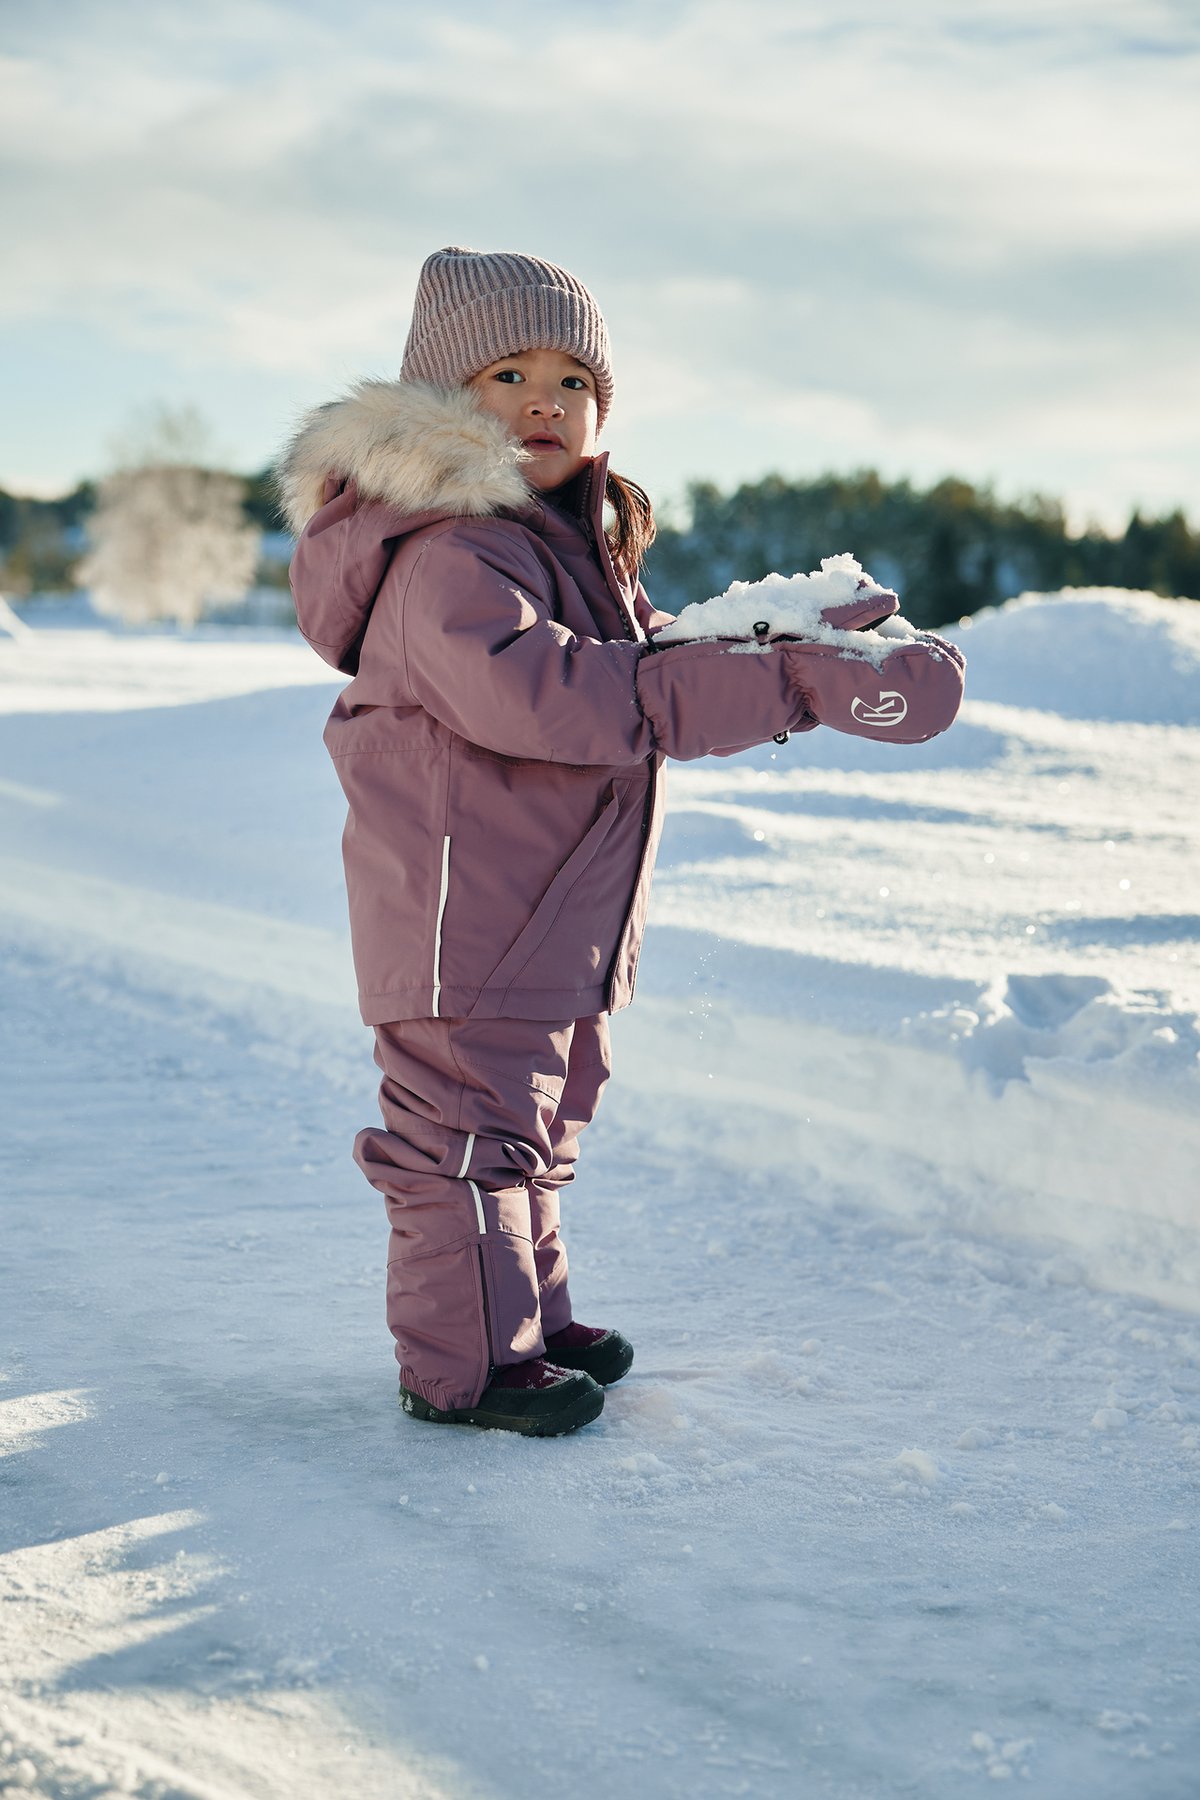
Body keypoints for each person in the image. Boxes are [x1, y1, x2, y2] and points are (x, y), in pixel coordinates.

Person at [278, 246, 964, 1438]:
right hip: (467, 920)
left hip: (551, 914)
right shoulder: (449, 554)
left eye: (573, 382)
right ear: (440, 397)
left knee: (540, 1123)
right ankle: (466, 1367)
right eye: (508, 374)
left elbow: (661, 658)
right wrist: (785, 686)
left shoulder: (560, 547)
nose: (545, 402)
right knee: (468, 1140)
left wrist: (794, 639)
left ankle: (527, 1322)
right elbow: (567, 697)